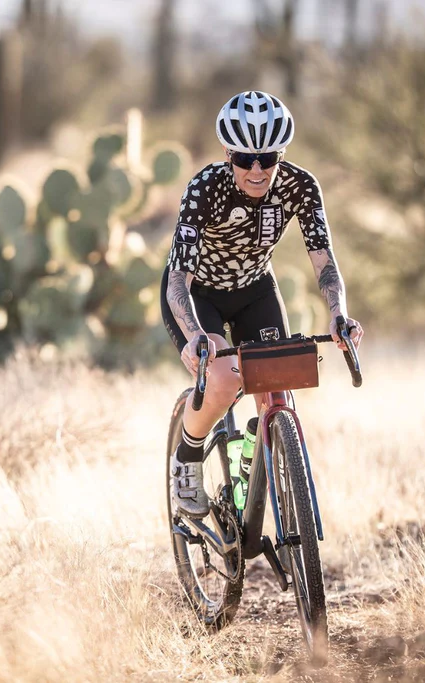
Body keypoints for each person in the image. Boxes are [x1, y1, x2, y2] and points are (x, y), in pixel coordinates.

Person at [161, 90, 364, 519]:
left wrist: (338, 314)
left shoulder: (301, 186)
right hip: (200, 294)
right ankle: (187, 454)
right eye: (244, 159)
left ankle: (255, 456)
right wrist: (195, 333)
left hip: (255, 288)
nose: (256, 170)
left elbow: (325, 262)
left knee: (277, 385)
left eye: (267, 158)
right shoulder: (204, 189)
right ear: (227, 154)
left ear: (281, 155)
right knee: (223, 381)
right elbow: (178, 276)